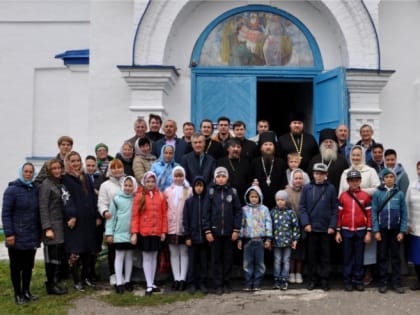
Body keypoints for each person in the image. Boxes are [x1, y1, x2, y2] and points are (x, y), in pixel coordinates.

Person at [338, 145, 380, 285]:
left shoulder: (370, 171)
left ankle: (362, 277)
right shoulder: (345, 172)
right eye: (353, 155)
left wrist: (360, 192)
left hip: (363, 216)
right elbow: (341, 194)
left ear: (362, 156)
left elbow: (377, 188)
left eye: (358, 155)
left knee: (363, 252)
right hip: (348, 220)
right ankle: (348, 280)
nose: (356, 157)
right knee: (348, 254)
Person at [2, 162, 41, 305]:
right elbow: (6, 214)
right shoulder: (12, 190)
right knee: (16, 267)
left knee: (28, 266)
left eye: (31, 172)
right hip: (16, 236)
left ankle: (26, 291)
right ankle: (17, 294)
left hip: (31, 235)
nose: (28, 174)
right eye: (26, 171)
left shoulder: (34, 189)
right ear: (21, 172)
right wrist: (9, 234)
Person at [202, 167, 242, 295]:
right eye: (218, 176)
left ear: (227, 178)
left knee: (228, 258)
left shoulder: (233, 192)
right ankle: (217, 284)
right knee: (216, 259)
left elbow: (238, 212)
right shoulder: (211, 192)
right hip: (215, 233)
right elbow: (205, 212)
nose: (221, 179)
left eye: (223, 176)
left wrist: (236, 229)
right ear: (215, 178)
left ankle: (227, 282)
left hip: (230, 233)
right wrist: (207, 230)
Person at [62, 151, 98, 292]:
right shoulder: (65, 179)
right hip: (75, 221)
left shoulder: (85, 178)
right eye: (73, 161)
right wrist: (71, 215)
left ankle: (85, 277)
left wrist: (96, 216)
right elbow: (66, 199)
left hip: (88, 220)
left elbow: (92, 198)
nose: (76, 163)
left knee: (88, 251)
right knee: (75, 252)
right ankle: (76, 280)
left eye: (78, 160)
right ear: (68, 163)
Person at [300, 163, 338, 291]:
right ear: (313, 174)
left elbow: (334, 209)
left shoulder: (331, 189)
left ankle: (324, 279)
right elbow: (302, 207)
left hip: (326, 229)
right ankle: (312, 279)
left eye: (321, 173)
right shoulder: (307, 188)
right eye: (316, 173)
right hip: (311, 229)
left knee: (325, 257)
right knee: (312, 257)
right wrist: (306, 223)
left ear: (326, 175)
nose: (319, 176)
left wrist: (332, 225)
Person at [131, 171, 168, 296]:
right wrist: (134, 233)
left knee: (154, 257)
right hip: (145, 232)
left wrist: (163, 231)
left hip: (156, 231)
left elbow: (163, 215)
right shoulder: (139, 196)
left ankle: (152, 282)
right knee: (147, 257)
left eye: (152, 181)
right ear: (144, 182)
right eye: (148, 181)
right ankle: (148, 284)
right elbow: (135, 216)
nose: (150, 184)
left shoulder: (161, 196)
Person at [335, 169, 372, 292]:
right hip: (346, 231)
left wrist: (368, 232)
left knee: (359, 257)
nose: (354, 183)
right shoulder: (343, 196)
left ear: (360, 181)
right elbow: (339, 215)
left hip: (361, 231)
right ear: (347, 182)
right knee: (347, 257)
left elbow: (370, 215)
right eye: (351, 181)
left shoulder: (365, 196)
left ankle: (358, 280)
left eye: (356, 180)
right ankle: (347, 281)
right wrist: (338, 231)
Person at [372, 168, 408, 294]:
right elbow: (374, 213)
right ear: (383, 179)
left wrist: (402, 231)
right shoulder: (378, 193)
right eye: (386, 177)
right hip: (382, 230)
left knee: (396, 257)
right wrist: (376, 230)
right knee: (382, 256)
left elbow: (404, 213)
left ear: (394, 179)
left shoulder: (399, 194)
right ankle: (383, 282)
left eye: (391, 177)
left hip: (395, 230)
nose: (389, 179)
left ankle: (396, 282)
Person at [38, 159, 68, 295]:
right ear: (49, 170)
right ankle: (50, 285)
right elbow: (43, 207)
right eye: (54, 169)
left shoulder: (58, 183)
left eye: (59, 168)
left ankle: (54, 282)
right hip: (51, 227)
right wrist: (47, 228)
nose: (57, 171)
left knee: (58, 256)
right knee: (51, 257)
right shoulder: (46, 184)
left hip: (60, 225)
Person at [105, 176, 137, 294]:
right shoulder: (116, 199)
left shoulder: (135, 199)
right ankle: (119, 282)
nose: (128, 188)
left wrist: (135, 233)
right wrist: (109, 233)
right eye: (126, 185)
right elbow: (111, 218)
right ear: (123, 186)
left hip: (131, 233)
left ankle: (128, 280)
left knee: (129, 257)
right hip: (119, 234)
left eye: (130, 186)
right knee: (119, 257)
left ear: (134, 186)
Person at [237, 185, 272, 291]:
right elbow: (241, 225)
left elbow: (268, 223)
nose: (254, 199)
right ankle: (248, 283)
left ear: (260, 197)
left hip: (260, 240)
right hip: (248, 241)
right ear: (248, 197)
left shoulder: (264, 209)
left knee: (259, 263)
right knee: (247, 263)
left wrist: (268, 239)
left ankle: (257, 283)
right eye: (252, 197)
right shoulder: (244, 210)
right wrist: (239, 239)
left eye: (256, 197)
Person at [97, 159, 126, 286]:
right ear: (110, 170)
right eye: (113, 168)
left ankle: (124, 273)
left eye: (119, 167)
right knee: (113, 249)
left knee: (125, 249)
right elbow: (102, 202)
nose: (116, 170)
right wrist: (104, 212)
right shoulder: (105, 185)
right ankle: (113, 274)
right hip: (112, 221)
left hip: (126, 221)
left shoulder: (128, 182)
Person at [164, 166, 193, 291]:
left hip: (183, 227)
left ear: (184, 176)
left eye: (181, 175)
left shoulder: (189, 190)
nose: (178, 178)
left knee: (184, 253)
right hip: (171, 227)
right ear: (173, 177)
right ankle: (176, 278)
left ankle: (183, 279)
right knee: (174, 254)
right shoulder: (168, 191)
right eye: (176, 175)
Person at [183, 176, 209, 294]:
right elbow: (185, 220)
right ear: (193, 187)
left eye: (201, 185)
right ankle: (192, 283)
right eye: (197, 185)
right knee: (192, 262)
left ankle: (202, 283)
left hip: (204, 238)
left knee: (204, 262)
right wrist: (187, 236)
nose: (199, 188)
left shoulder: (207, 201)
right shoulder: (189, 202)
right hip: (192, 238)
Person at [250, 131, 288, 209]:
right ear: (260, 147)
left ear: (274, 147)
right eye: (265, 144)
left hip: (277, 203)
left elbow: (284, 183)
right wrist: (253, 184)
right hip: (258, 203)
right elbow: (249, 181)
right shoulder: (255, 162)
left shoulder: (281, 162)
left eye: (270, 144)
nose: (268, 147)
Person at [270, 190, 300, 290]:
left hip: (288, 242)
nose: (280, 202)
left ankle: (284, 280)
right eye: (278, 200)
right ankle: (277, 280)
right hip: (276, 242)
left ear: (286, 200)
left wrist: (295, 240)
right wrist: (269, 240)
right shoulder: (273, 212)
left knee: (286, 261)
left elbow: (295, 226)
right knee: (277, 261)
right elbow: (270, 227)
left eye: (282, 199)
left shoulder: (291, 213)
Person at [84, 155, 106, 283]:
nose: (91, 168)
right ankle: (86, 272)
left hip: (97, 217)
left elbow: (101, 199)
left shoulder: (101, 178)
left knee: (95, 247)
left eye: (93, 166)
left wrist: (99, 217)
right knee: (86, 247)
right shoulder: (82, 178)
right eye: (89, 166)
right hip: (85, 218)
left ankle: (92, 271)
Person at [307, 128, 349, 192]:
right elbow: (310, 178)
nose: (328, 144)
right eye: (326, 142)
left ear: (335, 144)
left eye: (331, 142)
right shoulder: (314, 160)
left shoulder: (342, 160)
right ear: (321, 144)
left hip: (336, 193)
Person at [285, 168, 306, 284]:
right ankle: (291, 273)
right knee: (291, 252)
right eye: (296, 178)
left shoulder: (306, 190)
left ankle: (299, 273)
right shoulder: (286, 192)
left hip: (302, 225)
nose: (298, 180)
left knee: (301, 252)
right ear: (292, 179)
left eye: (300, 178)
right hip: (290, 225)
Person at [217, 137, 252, 206]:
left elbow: (249, 180)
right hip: (225, 197)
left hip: (243, 198)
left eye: (238, 147)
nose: (236, 149)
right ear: (227, 149)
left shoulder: (246, 162)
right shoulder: (220, 162)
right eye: (233, 146)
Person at [407, 161, 420, 291]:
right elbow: (407, 205)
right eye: (419, 169)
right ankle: (418, 280)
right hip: (415, 227)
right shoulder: (412, 185)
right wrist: (408, 223)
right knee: (417, 257)